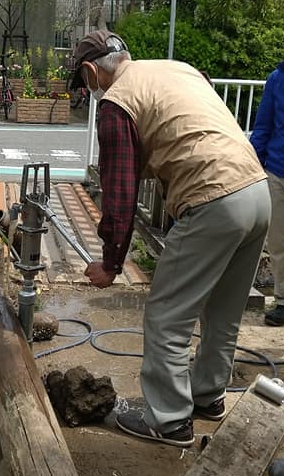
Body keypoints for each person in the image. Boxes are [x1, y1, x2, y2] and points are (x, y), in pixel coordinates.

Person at [70, 30, 271, 447]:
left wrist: (110, 262)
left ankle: (170, 420)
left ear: (91, 72)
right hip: (256, 190)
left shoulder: (115, 102)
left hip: (212, 200)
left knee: (167, 316)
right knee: (223, 313)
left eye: (84, 82)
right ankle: (208, 396)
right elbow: (188, 127)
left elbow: (121, 190)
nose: (88, 91)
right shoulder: (176, 69)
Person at [250, 63, 284, 326]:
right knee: (278, 242)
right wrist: (250, 162)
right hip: (277, 170)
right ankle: (282, 301)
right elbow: (263, 126)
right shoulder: (277, 78)